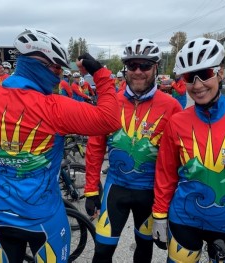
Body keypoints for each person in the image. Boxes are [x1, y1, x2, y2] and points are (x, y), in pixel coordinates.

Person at [0, 28, 121, 263]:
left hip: (0, 215)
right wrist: (100, 74)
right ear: (40, 65)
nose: (59, 75)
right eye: (57, 68)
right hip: (43, 217)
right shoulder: (55, 107)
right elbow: (110, 119)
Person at [151, 37, 225, 262]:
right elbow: (165, 175)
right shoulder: (176, 122)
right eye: (189, 77)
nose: (197, 85)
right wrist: (159, 214)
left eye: (205, 74)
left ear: (220, 73)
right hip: (183, 221)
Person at [84, 38, 182, 263]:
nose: (138, 72)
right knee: (101, 252)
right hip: (116, 188)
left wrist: (168, 205)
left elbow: (177, 160)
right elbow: (95, 147)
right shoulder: (110, 102)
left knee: (144, 251)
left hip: (150, 192)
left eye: (145, 66)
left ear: (156, 68)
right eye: (132, 66)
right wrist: (90, 190)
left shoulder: (172, 106)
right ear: (125, 69)